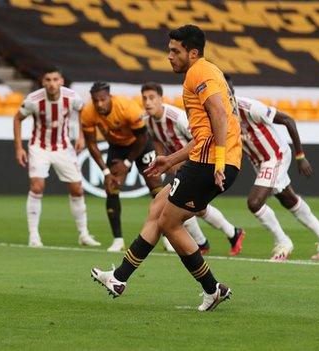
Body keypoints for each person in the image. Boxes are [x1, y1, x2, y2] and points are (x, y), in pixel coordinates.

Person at [91, 24, 242, 311]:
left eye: (175, 51)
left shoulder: (199, 71)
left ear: (192, 52)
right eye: (169, 50)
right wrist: (171, 160)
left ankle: (213, 289)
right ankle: (119, 278)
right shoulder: (206, 72)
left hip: (211, 162)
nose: (169, 56)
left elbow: (220, 116)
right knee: (158, 208)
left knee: (169, 223)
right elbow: (204, 135)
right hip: (205, 158)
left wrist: (220, 161)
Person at [224, 74, 319, 261]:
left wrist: (300, 156)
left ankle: (283, 242)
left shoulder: (250, 107)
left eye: (226, 92)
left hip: (275, 155)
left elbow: (288, 120)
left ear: (232, 92)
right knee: (288, 199)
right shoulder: (219, 115)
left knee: (254, 203)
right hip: (260, 162)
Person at [141, 82, 245, 256]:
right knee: (192, 207)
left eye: (152, 98)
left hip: (197, 165)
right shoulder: (148, 121)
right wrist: (164, 164)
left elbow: (201, 139)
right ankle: (226, 235)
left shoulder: (176, 117)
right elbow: (158, 142)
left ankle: (211, 240)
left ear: (161, 99)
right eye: (144, 98)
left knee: (180, 206)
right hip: (180, 168)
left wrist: (184, 162)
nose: (148, 102)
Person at [13, 67, 100, 248]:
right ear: (43, 82)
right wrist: (19, 148)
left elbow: (84, 113)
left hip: (63, 147)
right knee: (37, 187)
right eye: (48, 80)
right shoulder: (33, 100)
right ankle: (34, 236)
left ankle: (84, 234)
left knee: (77, 189)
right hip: (39, 148)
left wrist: (81, 136)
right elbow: (17, 119)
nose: (52, 84)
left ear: (61, 81)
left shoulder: (72, 97)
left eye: (55, 79)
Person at [80, 82, 161, 252]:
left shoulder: (127, 107)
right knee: (111, 187)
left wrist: (127, 163)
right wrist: (106, 171)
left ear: (110, 97)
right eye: (96, 101)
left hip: (141, 144)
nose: (99, 104)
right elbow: (92, 144)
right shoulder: (88, 112)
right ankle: (118, 240)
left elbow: (142, 137)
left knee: (157, 188)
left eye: (103, 100)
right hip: (117, 147)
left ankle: (168, 237)